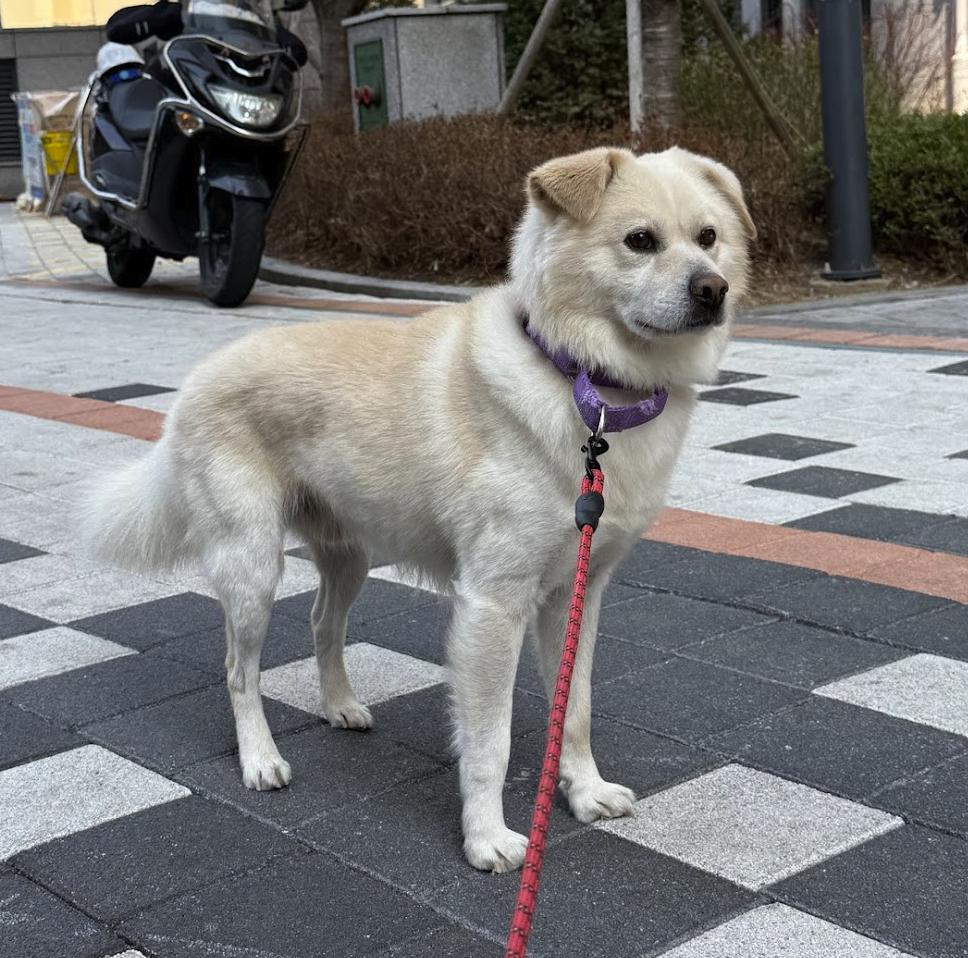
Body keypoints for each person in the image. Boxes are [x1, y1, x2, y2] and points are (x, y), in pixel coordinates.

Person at [105, 0, 308, 67]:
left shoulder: (253, 20)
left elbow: (293, 48)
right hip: (189, 86)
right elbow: (117, 27)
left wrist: (289, 49)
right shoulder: (180, 14)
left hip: (244, 86)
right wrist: (156, 19)